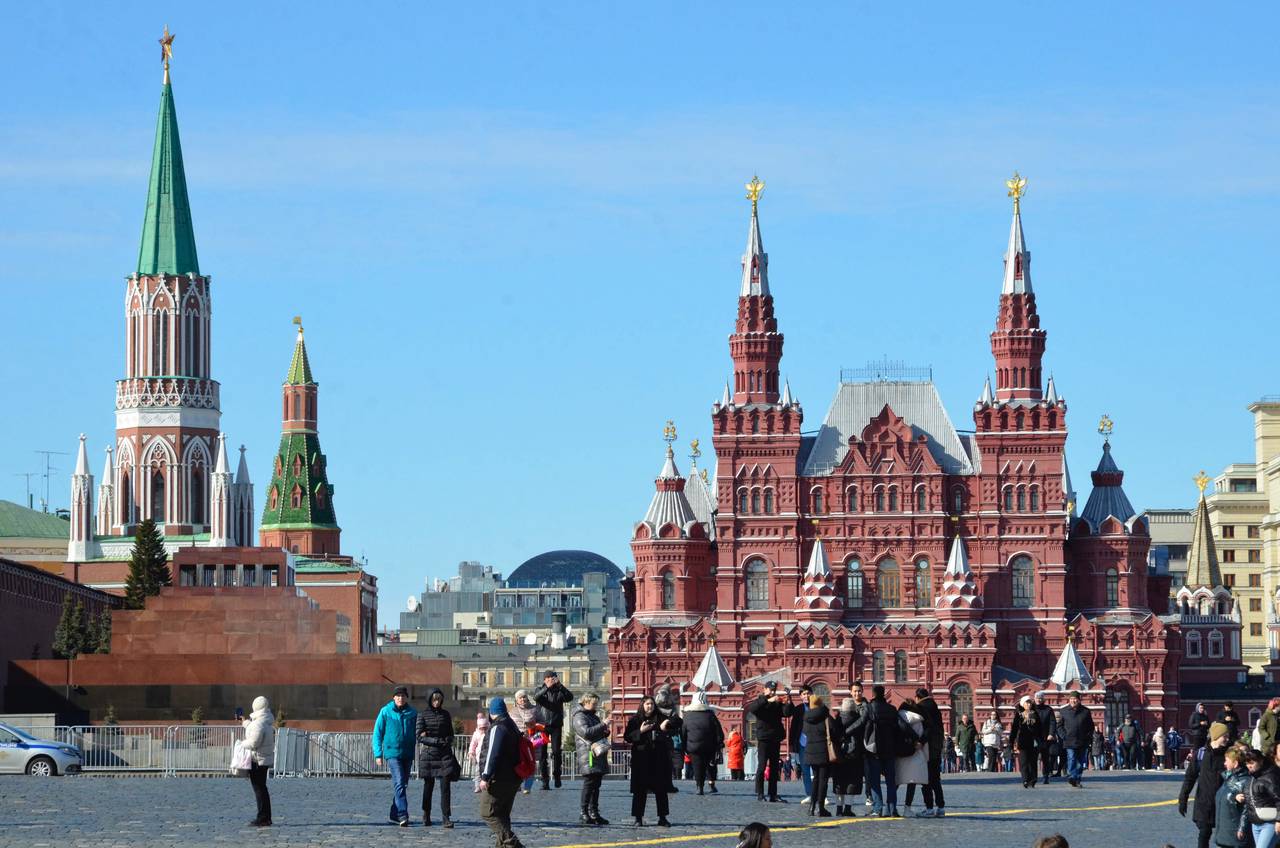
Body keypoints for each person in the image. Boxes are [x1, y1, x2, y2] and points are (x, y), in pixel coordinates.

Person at [477, 697, 524, 848]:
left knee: (487, 812)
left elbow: (493, 754)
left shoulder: (498, 727)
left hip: (499, 778)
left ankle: (513, 844)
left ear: (491, 712)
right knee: (502, 815)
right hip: (514, 777)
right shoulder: (511, 725)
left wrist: (485, 776)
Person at [1180, 721, 1233, 848]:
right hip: (1204, 801)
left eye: (1228, 736)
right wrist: (1183, 798)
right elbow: (1190, 777)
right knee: (1204, 833)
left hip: (1224, 802)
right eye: (1224, 736)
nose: (1227, 739)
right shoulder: (1201, 754)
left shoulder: (1230, 755)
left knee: (1226, 836)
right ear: (1216, 736)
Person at [626, 695, 677, 827]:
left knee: (661, 790)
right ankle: (638, 818)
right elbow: (628, 737)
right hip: (641, 759)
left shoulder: (660, 718)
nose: (650, 706)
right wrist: (640, 731)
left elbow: (678, 722)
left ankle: (663, 818)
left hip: (658, 759)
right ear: (642, 705)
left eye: (652, 704)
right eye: (647, 704)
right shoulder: (635, 720)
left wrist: (667, 724)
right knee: (639, 791)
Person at [372, 685, 418, 827]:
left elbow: (419, 730)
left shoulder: (413, 713)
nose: (400, 698)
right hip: (392, 753)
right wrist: (378, 754)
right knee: (399, 782)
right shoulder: (385, 711)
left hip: (407, 753)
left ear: (406, 698)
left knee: (403, 784)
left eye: (403, 696)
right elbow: (377, 733)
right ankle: (402, 814)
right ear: (393, 697)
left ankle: (394, 814)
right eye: (398, 696)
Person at [415, 688, 457, 828]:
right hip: (429, 755)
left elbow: (451, 733)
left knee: (445, 787)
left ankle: (446, 817)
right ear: (429, 700)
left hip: (444, 754)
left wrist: (447, 740)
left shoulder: (446, 714)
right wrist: (435, 741)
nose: (437, 702)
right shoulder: (422, 715)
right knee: (428, 786)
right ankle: (426, 814)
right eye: (434, 699)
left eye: (439, 699)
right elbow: (419, 736)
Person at [745, 681, 793, 802]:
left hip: (775, 738)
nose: (772, 692)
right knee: (762, 766)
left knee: (774, 767)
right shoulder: (760, 701)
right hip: (764, 739)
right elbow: (752, 708)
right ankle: (760, 793)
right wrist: (767, 700)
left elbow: (787, 713)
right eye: (770, 689)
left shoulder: (777, 702)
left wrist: (788, 701)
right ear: (765, 689)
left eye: (774, 690)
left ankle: (773, 794)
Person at [863, 684, 903, 817]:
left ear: (873, 694)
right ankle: (892, 809)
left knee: (875, 781)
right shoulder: (892, 709)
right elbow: (900, 727)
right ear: (884, 693)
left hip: (874, 749)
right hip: (890, 750)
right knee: (891, 781)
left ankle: (878, 808)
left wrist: (845, 732)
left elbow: (861, 723)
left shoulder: (869, 708)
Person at [571, 692, 610, 826]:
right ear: (585, 702)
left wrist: (605, 731)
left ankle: (594, 812)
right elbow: (586, 732)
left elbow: (596, 732)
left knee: (596, 784)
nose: (596, 706)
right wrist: (603, 724)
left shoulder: (593, 716)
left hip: (596, 753)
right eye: (593, 703)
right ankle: (584, 812)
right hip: (588, 754)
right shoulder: (579, 716)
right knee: (589, 783)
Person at [533, 670, 574, 790]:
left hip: (556, 725)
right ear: (545, 679)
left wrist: (560, 685)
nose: (551, 680)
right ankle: (544, 780)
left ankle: (557, 776)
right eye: (549, 678)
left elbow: (570, 697)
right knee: (542, 754)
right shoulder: (539, 689)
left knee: (556, 752)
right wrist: (547, 687)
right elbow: (536, 697)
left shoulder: (559, 691)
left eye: (553, 678)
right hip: (542, 726)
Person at [802, 694, 841, 817]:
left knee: (815, 779)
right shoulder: (825, 716)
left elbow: (804, 732)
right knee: (823, 780)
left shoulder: (806, 717)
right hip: (823, 752)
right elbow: (835, 732)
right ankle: (821, 808)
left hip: (810, 752)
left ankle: (811, 807)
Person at [241, 695, 275, 827]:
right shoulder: (266, 721)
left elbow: (254, 742)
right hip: (264, 759)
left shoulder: (258, 724)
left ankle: (263, 818)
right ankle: (266, 817)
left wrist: (241, 744)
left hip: (257, 760)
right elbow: (254, 728)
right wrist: (245, 723)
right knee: (262, 788)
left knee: (259, 789)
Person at [682, 691, 724, 796]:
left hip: (693, 746)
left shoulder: (687, 715)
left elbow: (683, 733)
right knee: (711, 765)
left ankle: (699, 787)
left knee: (697, 766)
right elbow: (718, 731)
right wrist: (719, 743)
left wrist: (684, 747)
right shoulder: (710, 715)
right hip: (709, 746)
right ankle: (711, 784)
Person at [913, 687, 946, 817]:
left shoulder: (922, 708)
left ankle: (929, 808)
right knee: (936, 779)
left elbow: (928, 728)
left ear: (917, 697)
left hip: (927, 748)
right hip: (937, 747)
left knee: (925, 779)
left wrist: (921, 741)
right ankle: (941, 807)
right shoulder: (935, 707)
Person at [1237, 747, 1280, 848]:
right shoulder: (1251, 778)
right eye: (1247, 763)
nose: (1249, 766)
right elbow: (1249, 800)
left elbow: (1278, 799)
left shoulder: (1270, 777)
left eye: (1252, 763)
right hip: (1255, 823)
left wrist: (1279, 821)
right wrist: (1238, 797)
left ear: (1260, 761)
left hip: (1270, 823)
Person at [896, 698, 928, 816]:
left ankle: (890, 806)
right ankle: (907, 809)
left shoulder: (896, 718)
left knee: (896, 782)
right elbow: (921, 736)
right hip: (914, 754)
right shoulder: (918, 720)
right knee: (912, 782)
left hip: (899, 754)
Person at [833, 696, 863, 817]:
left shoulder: (837, 719)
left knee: (839, 782)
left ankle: (838, 809)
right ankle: (848, 809)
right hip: (854, 754)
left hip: (839, 754)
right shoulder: (858, 719)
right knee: (852, 781)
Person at [1057, 690, 1094, 788]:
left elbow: (1091, 726)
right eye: (1071, 699)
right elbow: (1059, 726)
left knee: (1080, 762)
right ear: (1069, 700)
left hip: (1082, 741)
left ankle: (1077, 779)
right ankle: (1072, 776)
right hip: (1069, 740)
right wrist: (1064, 736)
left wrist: (1088, 737)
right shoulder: (1064, 711)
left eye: (1075, 699)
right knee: (1072, 758)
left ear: (1079, 700)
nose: (1073, 701)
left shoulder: (1085, 711)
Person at [1213, 746, 1247, 848]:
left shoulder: (1243, 781)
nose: (1224, 763)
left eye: (1227, 760)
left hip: (1234, 834)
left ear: (1235, 763)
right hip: (1225, 833)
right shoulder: (1228, 779)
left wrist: (1242, 828)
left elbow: (1247, 808)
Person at [509, 691, 539, 794]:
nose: (522, 699)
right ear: (516, 700)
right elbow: (509, 726)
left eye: (524, 697)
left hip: (532, 741)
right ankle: (517, 785)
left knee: (531, 763)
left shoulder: (535, 709)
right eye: (520, 698)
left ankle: (527, 787)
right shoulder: (512, 711)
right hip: (517, 741)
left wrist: (534, 725)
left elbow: (542, 723)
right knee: (518, 763)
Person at [789, 684, 814, 805]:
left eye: (808, 693)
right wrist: (791, 744)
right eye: (804, 694)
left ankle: (821, 795)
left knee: (817, 770)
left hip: (815, 743)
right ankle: (809, 794)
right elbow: (793, 727)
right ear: (800, 696)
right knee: (805, 770)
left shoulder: (817, 707)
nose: (806, 696)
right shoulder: (798, 709)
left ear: (812, 694)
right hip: (802, 743)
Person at [1012, 696, 1041, 788]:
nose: (1028, 704)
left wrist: (1040, 739)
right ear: (1022, 704)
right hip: (1022, 741)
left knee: (1033, 762)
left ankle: (1033, 779)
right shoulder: (1019, 715)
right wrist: (1011, 742)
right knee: (1024, 761)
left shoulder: (1035, 714)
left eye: (1029, 703)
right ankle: (1025, 780)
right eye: (1026, 703)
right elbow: (1014, 729)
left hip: (1033, 741)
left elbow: (1040, 728)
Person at [1032, 693, 1058, 784]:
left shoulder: (1048, 709)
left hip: (1045, 738)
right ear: (1034, 699)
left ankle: (1045, 776)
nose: (1039, 700)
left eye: (1040, 698)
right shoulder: (1031, 709)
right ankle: (1033, 777)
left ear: (1043, 699)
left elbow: (1052, 722)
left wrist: (1051, 734)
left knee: (1045, 758)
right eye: (1037, 698)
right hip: (1034, 738)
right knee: (1033, 758)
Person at [468, 712, 490, 791]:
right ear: (478, 727)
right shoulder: (476, 734)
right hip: (478, 757)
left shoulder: (489, 734)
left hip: (487, 756)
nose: (483, 730)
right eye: (481, 728)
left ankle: (487, 784)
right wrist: (471, 752)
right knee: (477, 773)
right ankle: (477, 786)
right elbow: (473, 744)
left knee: (487, 772)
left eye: (485, 728)